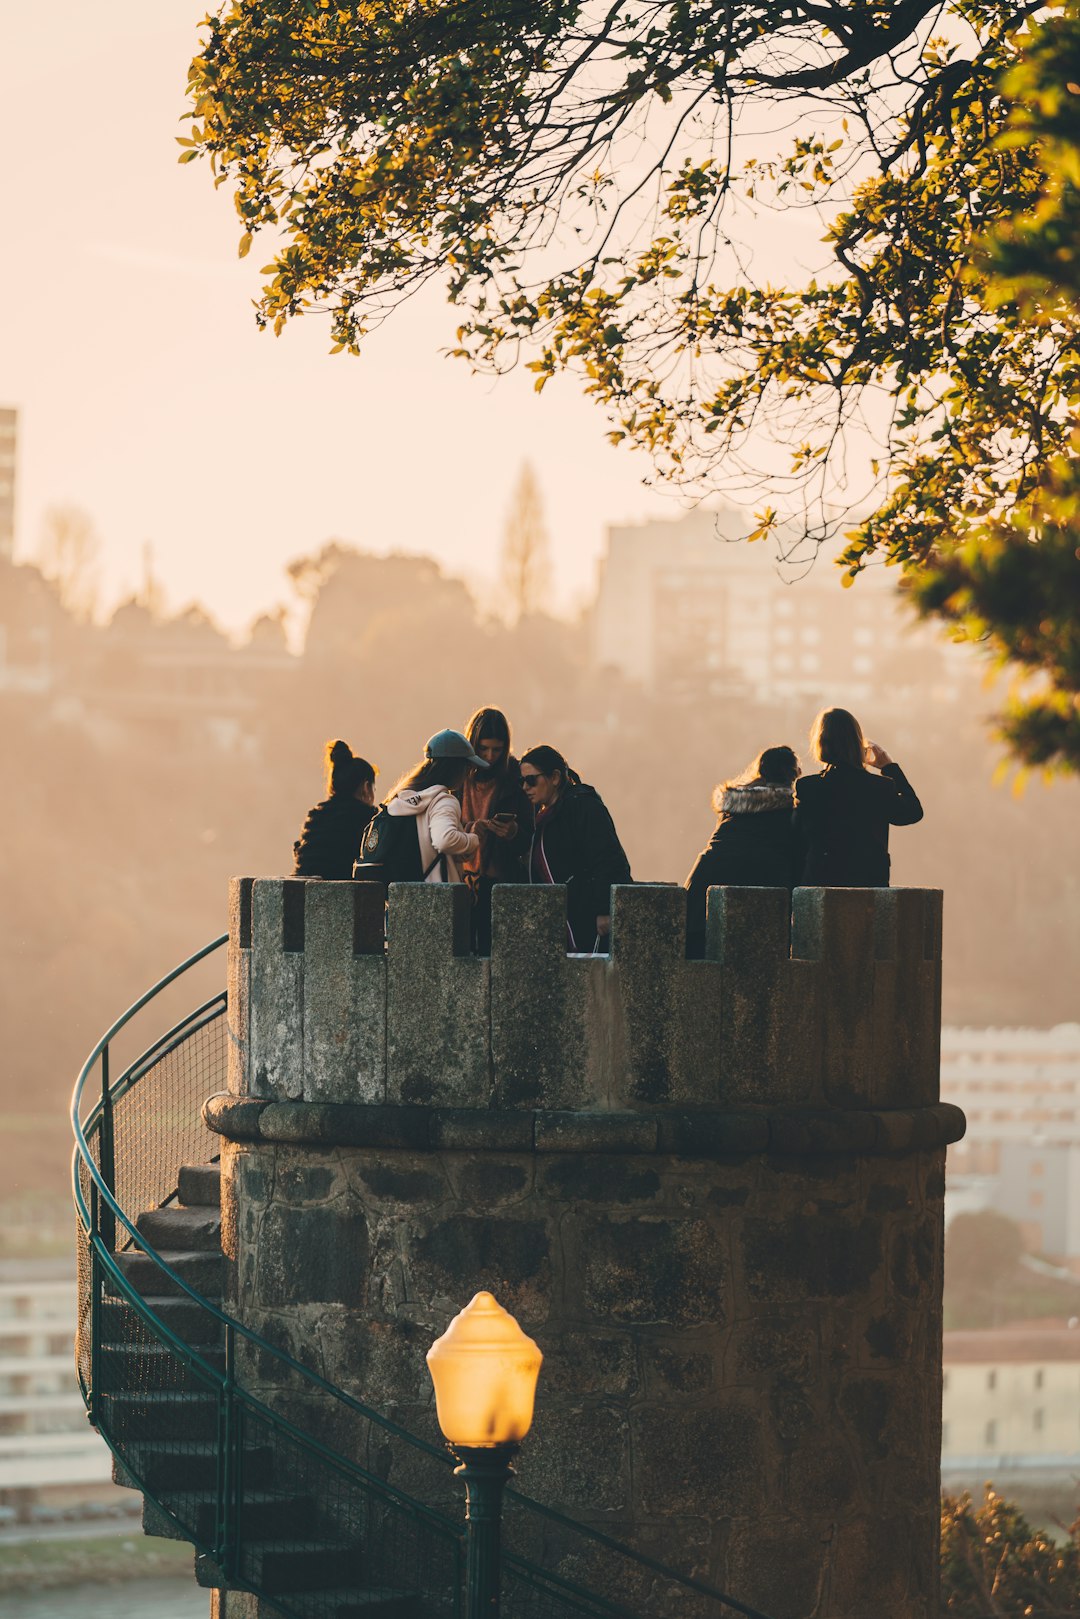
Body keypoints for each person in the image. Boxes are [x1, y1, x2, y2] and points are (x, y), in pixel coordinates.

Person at [683, 745, 805, 957]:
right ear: (794, 775)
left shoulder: (735, 807)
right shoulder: (793, 813)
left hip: (701, 895)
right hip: (759, 905)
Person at [520, 744, 632, 952]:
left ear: (554, 777)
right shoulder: (544, 817)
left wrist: (604, 910)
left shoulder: (583, 806)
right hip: (565, 921)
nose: (525, 787)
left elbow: (607, 857)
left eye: (531, 780)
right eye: (522, 781)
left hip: (589, 918)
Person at [794, 708, 924, 887]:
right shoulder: (880, 787)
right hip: (868, 883)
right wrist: (890, 767)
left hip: (820, 882)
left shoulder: (808, 787)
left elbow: (798, 837)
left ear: (821, 742)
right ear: (858, 743)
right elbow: (913, 812)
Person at [460, 706, 531, 953]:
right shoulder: (457, 777)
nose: (490, 756)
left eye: (497, 750)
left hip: (500, 882)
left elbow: (528, 839)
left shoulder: (515, 778)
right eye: (484, 748)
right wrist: (469, 830)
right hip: (461, 880)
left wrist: (512, 833)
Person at [384, 729, 488, 883]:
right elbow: (445, 840)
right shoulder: (443, 800)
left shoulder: (401, 798)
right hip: (438, 895)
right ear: (456, 768)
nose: (468, 775)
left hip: (402, 893)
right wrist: (473, 840)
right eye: (469, 768)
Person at [292, 740, 378, 879]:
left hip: (303, 896)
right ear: (366, 787)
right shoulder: (369, 821)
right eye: (374, 789)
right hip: (347, 897)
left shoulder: (314, 818)